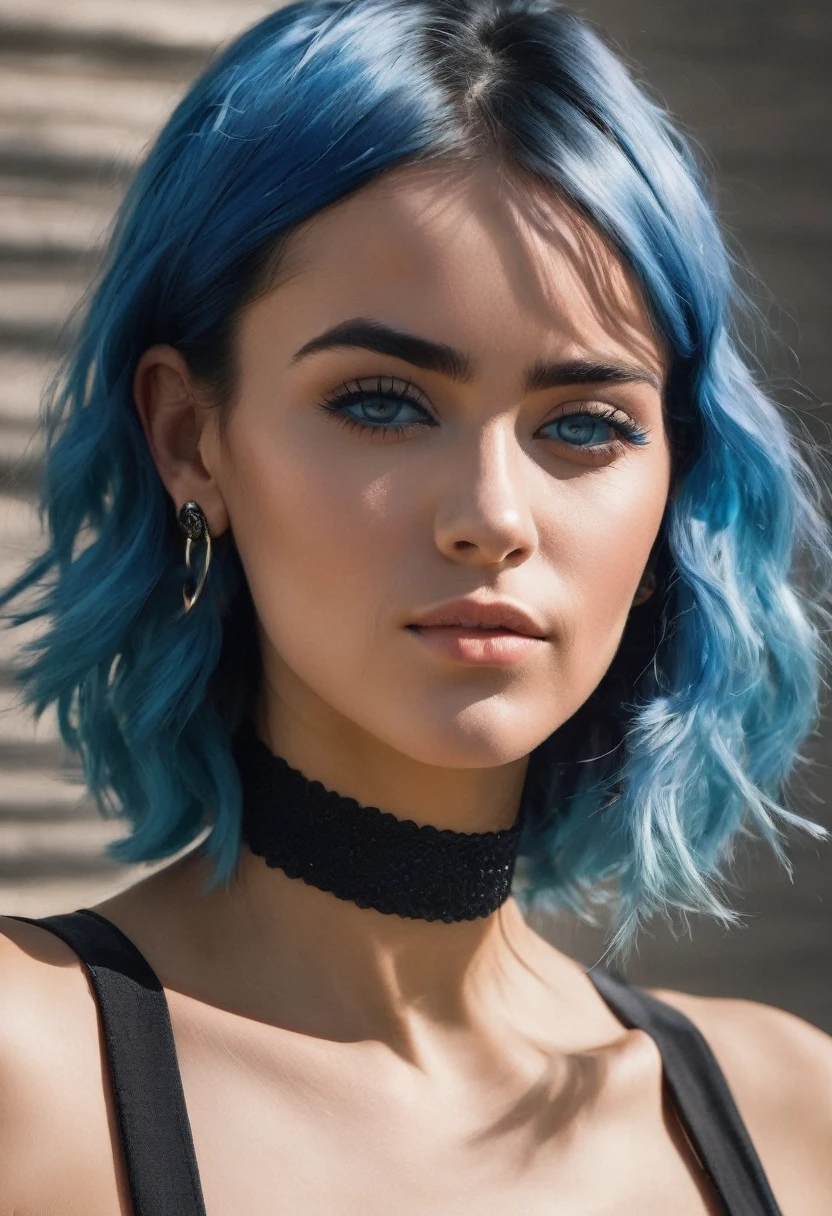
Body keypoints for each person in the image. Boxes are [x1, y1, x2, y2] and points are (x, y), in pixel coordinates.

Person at [1, 0, 830, 1211]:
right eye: (383, 402)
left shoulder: (791, 1114)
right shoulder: (30, 1073)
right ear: (190, 438)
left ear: (676, 480)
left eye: (585, 425)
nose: (492, 514)